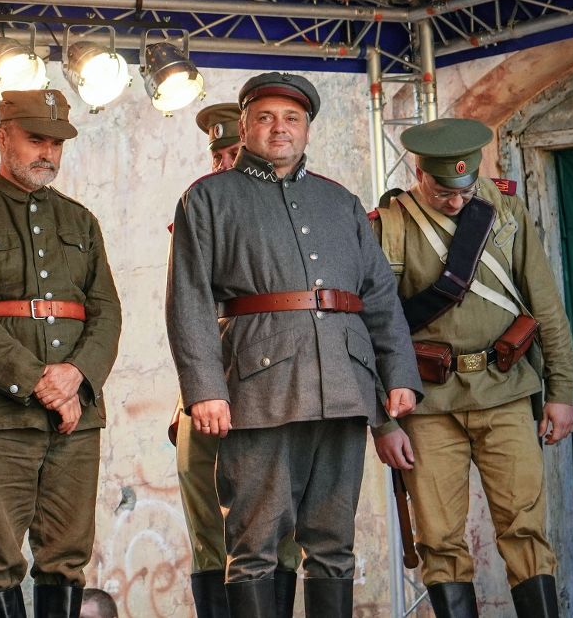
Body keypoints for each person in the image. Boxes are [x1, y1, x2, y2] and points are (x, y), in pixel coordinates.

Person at [166, 71, 422, 617]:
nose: (279, 128)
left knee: (334, 546)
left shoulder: (341, 201)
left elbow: (379, 296)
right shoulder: (207, 198)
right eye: (265, 118)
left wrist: (398, 374)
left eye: (292, 118)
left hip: (345, 387)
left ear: (307, 129)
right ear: (244, 127)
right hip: (259, 391)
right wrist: (204, 390)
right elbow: (188, 301)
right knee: (253, 546)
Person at [370, 118, 573, 618]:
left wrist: (561, 391)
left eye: (465, 190)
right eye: (443, 191)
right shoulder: (389, 226)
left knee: (525, 529)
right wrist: (384, 422)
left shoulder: (503, 211)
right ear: (419, 173)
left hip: (505, 390)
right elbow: (372, 330)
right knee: (439, 540)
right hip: (428, 405)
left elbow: (546, 305)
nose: (456, 202)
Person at [0, 89, 122, 618]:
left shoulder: (80, 220)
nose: (48, 153)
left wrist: (76, 376)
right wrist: (41, 381)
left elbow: (107, 311)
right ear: (3, 136)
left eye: (56, 144)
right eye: (36, 139)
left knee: (67, 559)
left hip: (75, 415)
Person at [167, 102, 301, 617]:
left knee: (273, 522)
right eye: (218, 156)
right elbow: (186, 312)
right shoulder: (200, 211)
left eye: (233, 152)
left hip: (270, 387)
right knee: (206, 521)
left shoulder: (287, 216)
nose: (225, 164)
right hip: (205, 391)